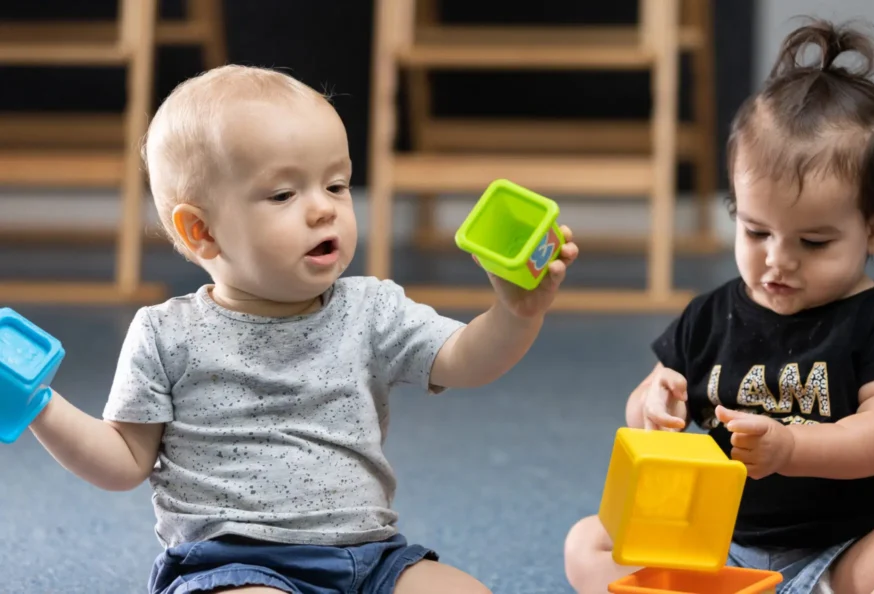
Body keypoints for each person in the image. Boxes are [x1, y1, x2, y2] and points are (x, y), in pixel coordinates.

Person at [28, 64, 578, 594]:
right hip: (231, 562)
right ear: (202, 231)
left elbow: (465, 359)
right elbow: (123, 459)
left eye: (337, 185)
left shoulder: (371, 309)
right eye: (284, 195)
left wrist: (516, 313)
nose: (324, 210)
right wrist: (39, 405)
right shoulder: (166, 333)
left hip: (369, 556)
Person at [563, 19, 874, 594]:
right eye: (757, 232)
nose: (778, 261)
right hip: (716, 551)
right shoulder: (711, 313)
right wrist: (652, 405)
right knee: (588, 540)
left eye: (813, 242)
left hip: (846, 552)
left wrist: (790, 446)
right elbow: (654, 397)